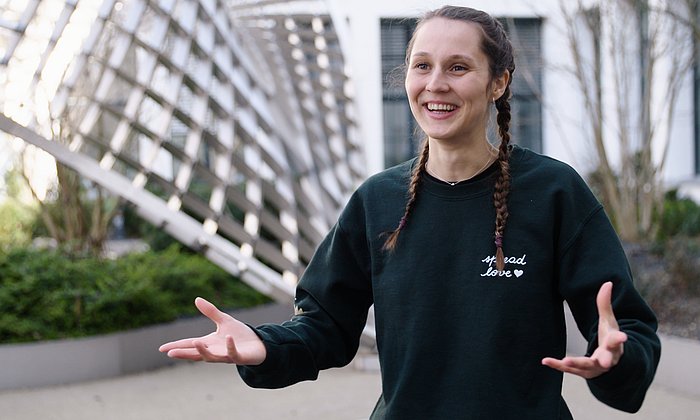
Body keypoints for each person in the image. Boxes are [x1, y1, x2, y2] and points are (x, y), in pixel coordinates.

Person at [159, 5, 661, 419]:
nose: (435, 84)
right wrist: (264, 345)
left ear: (498, 82)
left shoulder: (553, 192)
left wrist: (616, 360)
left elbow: (626, 328)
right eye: (423, 66)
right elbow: (325, 326)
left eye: (458, 67)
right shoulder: (377, 200)